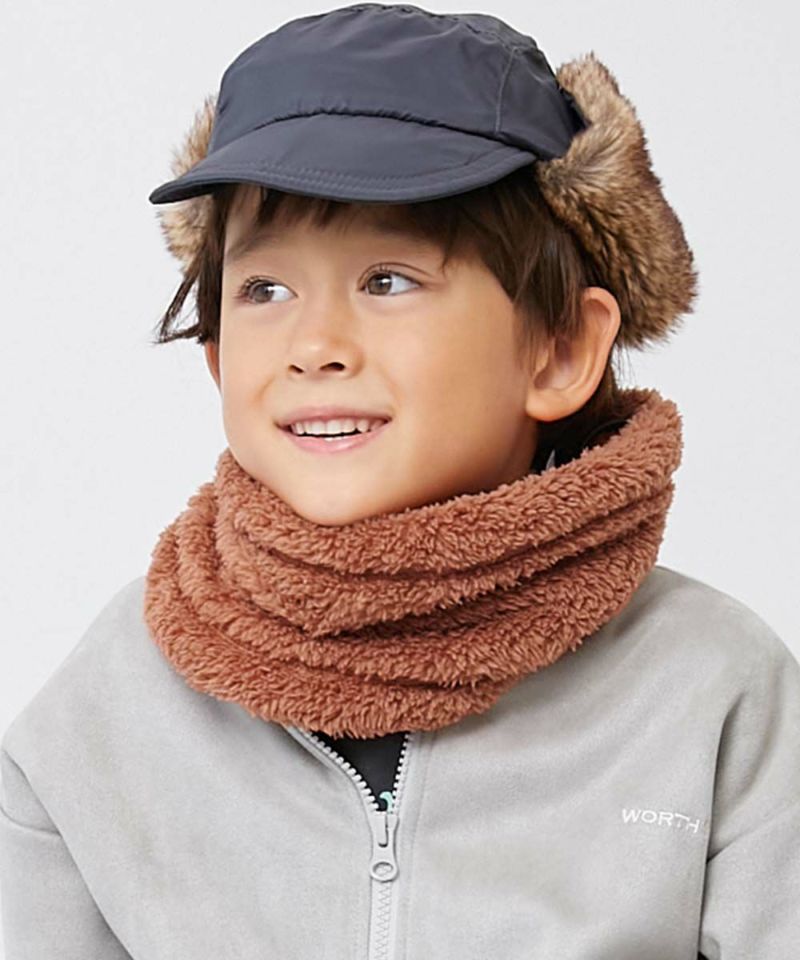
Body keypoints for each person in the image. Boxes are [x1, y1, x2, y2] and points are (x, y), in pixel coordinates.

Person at [1, 3, 798, 957]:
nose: (314, 346)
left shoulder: (712, 691)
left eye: (388, 280)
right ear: (216, 360)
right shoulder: (110, 704)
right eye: (264, 290)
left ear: (559, 350)